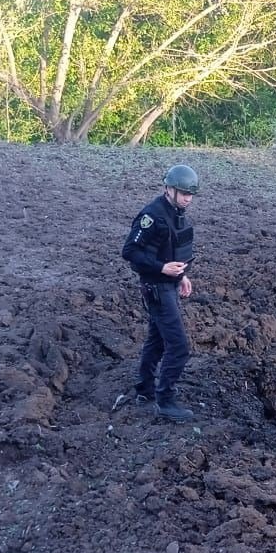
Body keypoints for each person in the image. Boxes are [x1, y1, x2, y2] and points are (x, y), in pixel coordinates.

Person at [121, 164, 199, 421]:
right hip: (156, 288)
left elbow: (171, 248)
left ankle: (145, 389)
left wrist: (182, 274)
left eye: (191, 193)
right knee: (178, 347)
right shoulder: (152, 215)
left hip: (168, 285)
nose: (188, 198)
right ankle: (165, 400)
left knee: (156, 341)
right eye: (183, 192)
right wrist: (162, 268)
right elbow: (130, 251)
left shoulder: (176, 212)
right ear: (168, 189)